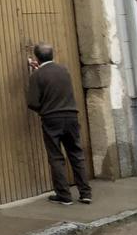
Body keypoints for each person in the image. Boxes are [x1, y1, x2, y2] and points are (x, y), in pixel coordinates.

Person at [26, 43, 92, 205]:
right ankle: (85, 193)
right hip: (71, 116)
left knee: (56, 156)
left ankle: (64, 195)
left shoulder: (37, 75)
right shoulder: (64, 71)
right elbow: (55, 84)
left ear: (36, 57)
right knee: (76, 154)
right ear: (52, 55)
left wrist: (44, 109)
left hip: (51, 119)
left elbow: (32, 102)